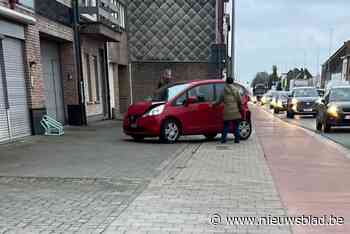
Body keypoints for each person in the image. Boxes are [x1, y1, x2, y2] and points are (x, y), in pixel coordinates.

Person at [214, 77, 242, 144]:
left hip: (227, 112)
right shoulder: (236, 90)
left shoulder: (223, 91)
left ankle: (223, 140)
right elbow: (240, 101)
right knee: (236, 126)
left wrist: (213, 105)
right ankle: (237, 140)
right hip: (235, 111)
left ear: (226, 82)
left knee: (226, 126)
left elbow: (219, 101)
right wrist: (239, 107)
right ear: (232, 82)